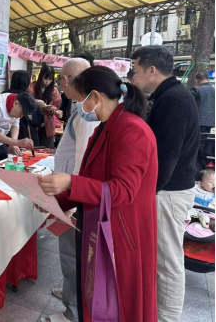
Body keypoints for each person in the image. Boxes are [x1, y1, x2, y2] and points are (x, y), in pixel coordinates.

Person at [38, 66, 158, 322]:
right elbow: (91, 181)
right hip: (99, 225)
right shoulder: (105, 127)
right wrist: (54, 201)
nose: (80, 107)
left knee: (119, 303)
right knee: (95, 296)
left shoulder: (131, 129)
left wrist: (69, 181)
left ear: (95, 96)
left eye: (80, 100)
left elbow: (122, 191)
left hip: (120, 231)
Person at [131, 45, 199, 322]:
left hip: (170, 191)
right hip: (169, 188)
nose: (133, 77)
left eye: (135, 70)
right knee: (161, 256)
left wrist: (148, 191)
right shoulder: (168, 95)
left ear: (151, 70)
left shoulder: (173, 99)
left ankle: (167, 317)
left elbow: (166, 156)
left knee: (167, 259)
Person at [42, 58, 99, 322]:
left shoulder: (87, 113)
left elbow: (81, 160)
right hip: (71, 193)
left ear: (68, 79)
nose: (60, 83)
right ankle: (70, 294)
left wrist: (72, 200)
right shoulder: (80, 106)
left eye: (61, 78)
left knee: (72, 254)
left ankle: (73, 310)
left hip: (74, 196)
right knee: (70, 254)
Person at [4, 70, 41, 145]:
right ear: (26, 83)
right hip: (26, 135)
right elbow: (37, 121)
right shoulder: (27, 98)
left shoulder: (4, 95)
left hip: (6, 136)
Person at [30, 64, 62, 148]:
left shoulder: (54, 90)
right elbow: (27, 100)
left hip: (47, 124)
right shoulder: (32, 86)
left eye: (50, 79)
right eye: (45, 78)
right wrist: (36, 102)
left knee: (47, 149)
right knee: (32, 148)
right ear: (41, 76)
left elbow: (57, 105)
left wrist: (51, 109)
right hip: (33, 122)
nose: (47, 82)